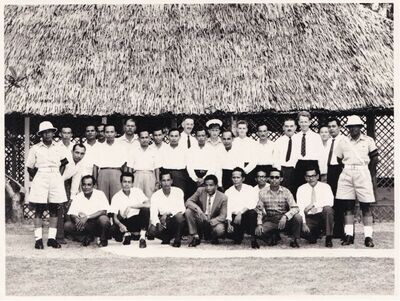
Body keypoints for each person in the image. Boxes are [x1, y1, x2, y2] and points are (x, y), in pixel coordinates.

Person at [335, 115, 378, 247]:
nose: (353, 129)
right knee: (348, 207)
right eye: (350, 127)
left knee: (366, 206)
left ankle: (368, 237)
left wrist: (368, 173)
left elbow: (374, 158)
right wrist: (349, 169)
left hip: (363, 172)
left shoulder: (368, 140)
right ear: (347, 128)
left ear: (360, 127)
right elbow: (339, 159)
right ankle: (349, 235)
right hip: (347, 172)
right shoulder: (343, 142)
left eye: (355, 126)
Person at [26, 121, 69, 249]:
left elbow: (64, 162)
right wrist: (39, 177)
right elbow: (29, 167)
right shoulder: (35, 148)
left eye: (50, 131)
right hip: (41, 177)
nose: (48, 134)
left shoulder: (58, 147)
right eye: (44, 132)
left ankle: (51, 239)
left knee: (54, 208)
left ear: (53, 133)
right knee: (39, 209)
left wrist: (58, 177)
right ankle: (38, 239)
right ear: (41, 134)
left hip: (55, 176)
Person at [255, 168, 302, 248]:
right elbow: (259, 209)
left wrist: (285, 216)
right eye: (272, 177)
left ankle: (294, 240)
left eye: (277, 177)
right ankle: (273, 237)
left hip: (284, 220)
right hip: (270, 220)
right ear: (269, 179)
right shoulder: (262, 192)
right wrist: (259, 224)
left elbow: (295, 208)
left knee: (298, 217)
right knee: (258, 232)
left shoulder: (286, 191)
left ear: (281, 179)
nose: (274, 180)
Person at [64, 175, 111, 247]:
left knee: (104, 220)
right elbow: (72, 213)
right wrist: (77, 220)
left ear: (94, 186)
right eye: (84, 185)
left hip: (96, 223)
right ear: (81, 185)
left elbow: (103, 211)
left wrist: (87, 217)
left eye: (89, 185)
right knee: (67, 226)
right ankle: (87, 237)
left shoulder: (100, 194)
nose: (86, 187)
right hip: (84, 224)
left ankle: (103, 239)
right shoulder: (78, 196)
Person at [109, 172, 150, 248]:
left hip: (137, 221)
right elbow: (114, 217)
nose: (127, 184)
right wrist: (120, 225)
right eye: (124, 182)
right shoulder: (116, 197)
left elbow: (148, 204)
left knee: (145, 210)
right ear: (121, 183)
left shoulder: (137, 191)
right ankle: (128, 234)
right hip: (125, 222)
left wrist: (131, 207)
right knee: (113, 231)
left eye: (129, 182)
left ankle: (142, 237)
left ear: (132, 184)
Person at [56, 143, 87, 243]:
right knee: (59, 208)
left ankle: (70, 233)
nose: (79, 155)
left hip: (66, 183)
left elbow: (76, 180)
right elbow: (58, 177)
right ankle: (58, 236)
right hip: (56, 182)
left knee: (70, 207)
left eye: (82, 153)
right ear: (72, 152)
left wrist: (72, 198)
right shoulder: (65, 159)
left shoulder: (81, 163)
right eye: (77, 152)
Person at [185, 175, 227, 246]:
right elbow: (188, 202)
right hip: (202, 217)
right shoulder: (200, 190)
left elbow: (223, 216)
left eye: (211, 185)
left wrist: (210, 221)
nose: (208, 188)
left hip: (214, 221)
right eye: (206, 185)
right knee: (188, 211)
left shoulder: (223, 197)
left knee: (220, 229)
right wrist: (198, 209)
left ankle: (214, 237)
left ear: (216, 186)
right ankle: (195, 236)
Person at [292, 111, 327, 196]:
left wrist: (323, 171)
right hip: (300, 165)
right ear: (298, 123)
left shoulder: (316, 137)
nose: (303, 124)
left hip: (313, 164)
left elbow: (321, 155)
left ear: (310, 122)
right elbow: (293, 154)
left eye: (305, 122)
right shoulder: (295, 137)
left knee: (314, 189)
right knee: (299, 189)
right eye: (301, 122)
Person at [297, 168, 334, 247]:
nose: (311, 178)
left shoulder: (325, 187)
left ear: (317, 176)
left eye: (313, 176)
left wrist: (313, 205)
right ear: (305, 178)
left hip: (321, 215)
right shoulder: (301, 189)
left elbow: (330, 202)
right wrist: (304, 224)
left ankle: (328, 237)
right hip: (309, 217)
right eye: (308, 176)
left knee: (328, 209)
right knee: (310, 238)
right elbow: (300, 207)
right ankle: (316, 233)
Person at [148, 171, 186, 247]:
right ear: (160, 182)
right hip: (162, 220)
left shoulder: (178, 191)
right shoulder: (156, 195)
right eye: (164, 180)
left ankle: (177, 239)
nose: (166, 183)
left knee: (179, 217)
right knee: (152, 230)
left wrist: (167, 213)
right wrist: (158, 223)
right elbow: (153, 213)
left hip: (173, 219)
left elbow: (182, 208)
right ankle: (166, 237)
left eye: (168, 180)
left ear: (172, 181)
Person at [93, 124, 129, 204]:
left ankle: (115, 216)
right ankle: (105, 216)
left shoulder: (121, 147)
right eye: (107, 132)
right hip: (103, 173)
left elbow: (125, 165)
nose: (109, 134)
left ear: (115, 133)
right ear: (104, 133)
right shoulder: (99, 147)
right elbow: (95, 166)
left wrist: (125, 178)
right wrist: (94, 181)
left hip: (117, 173)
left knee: (117, 198)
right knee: (102, 199)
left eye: (112, 132)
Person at [225, 168, 259, 248]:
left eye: (238, 177)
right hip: (235, 218)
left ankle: (253, 239)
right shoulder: (228, 191)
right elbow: (228, 208)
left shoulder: (250, 189)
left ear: (243, 178)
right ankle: (239, 234)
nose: (235, 180)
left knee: (252, 213)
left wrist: (240, 213)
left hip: (246, 216)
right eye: (234, 178)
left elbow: (252, 204)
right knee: (236, 239)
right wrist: (229, 223)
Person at [186, 127, 219, 197]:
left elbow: (213, 166)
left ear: (206, 137)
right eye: (199, 136)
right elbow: (189, 166)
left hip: (207, 176)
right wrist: (195, 178)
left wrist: (204, 179)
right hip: (194, 177)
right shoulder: (191, 150)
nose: (201, 138)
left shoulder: (212, 150)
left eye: (203, 135)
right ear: (196, 137)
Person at [327, 118, 345, 239]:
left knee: (341, 200)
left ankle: (342, 230)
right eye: (329, 126)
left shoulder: (344, 140)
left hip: (340, 170)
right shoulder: (328, 141)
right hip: (330, 171)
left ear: (339, 127)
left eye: (334, 126)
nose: (331, 129)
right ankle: (334, 229)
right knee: (332, 199)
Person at [129, 129, 160, 198]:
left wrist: (157, 182)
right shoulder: (133, 151)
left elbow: (156, 168)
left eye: (146, 137)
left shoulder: (154, 151)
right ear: (139, 139)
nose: (144, 140)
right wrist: (130, 181)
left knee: (150, 198)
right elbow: (130, 168)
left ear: (149, 138)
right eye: (142, 138)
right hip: (137, 176)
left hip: (150, 176)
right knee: (136, 198)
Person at [159, 128, 189, 198]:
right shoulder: (163, 149)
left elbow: (188, 164)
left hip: (180, 176)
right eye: (172, 136)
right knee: (166, 196)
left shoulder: (184, 149)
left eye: (176, 136)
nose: (174, 138)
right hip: (166, 174)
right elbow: (160, 164)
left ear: (179, 137)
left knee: (179, 196)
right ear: (168, 136)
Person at [273, 118, 297, 195]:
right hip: (283, 170)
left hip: (296, 170)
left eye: (291, 126)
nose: (289, 128)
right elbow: (275, 157)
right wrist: (279, 172)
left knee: (295, 192)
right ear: (283, 128)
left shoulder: (299, 139)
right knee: (283, 193)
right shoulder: (279, 141)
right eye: (287, 126)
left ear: (295, 127)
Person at [232, 120, 257, 185]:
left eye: (244, 128)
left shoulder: (252, 142)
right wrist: (238, 171)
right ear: (237, 129)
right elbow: (232, 157)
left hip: (249, 170)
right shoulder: (233, 142)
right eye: (240, 128)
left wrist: (245, 170)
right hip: (236, 170)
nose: (242, 130)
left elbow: (255, 159)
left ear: (247, 129)